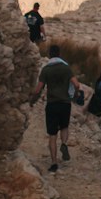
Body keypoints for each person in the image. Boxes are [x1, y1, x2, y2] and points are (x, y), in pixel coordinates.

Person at [33, 43, 83, 173]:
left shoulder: (46, 70)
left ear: (50, 55)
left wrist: (31, 99)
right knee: (64, 127)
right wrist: (76, 94)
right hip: (65, 104)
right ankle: (64, 144)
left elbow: (39, 88)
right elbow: (76, 84)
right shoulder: (66, 69)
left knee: (52, 134)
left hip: (52, 104)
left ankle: (54, 162)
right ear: (59, 54)